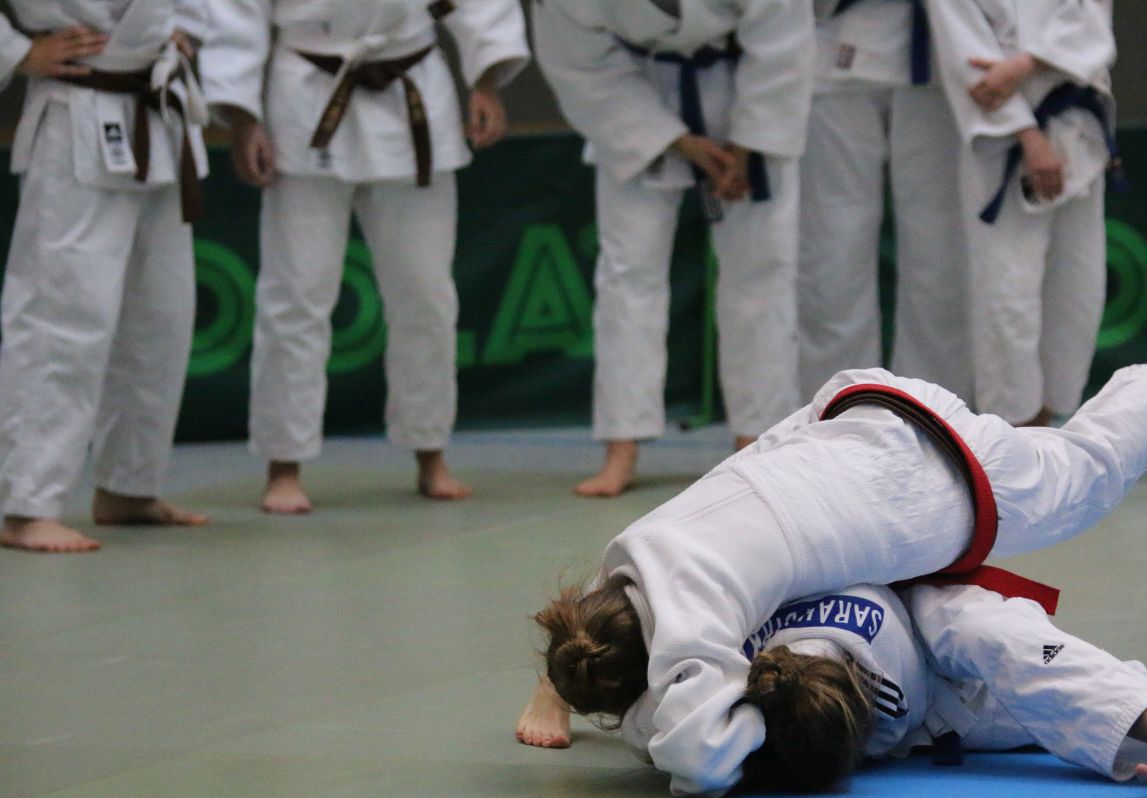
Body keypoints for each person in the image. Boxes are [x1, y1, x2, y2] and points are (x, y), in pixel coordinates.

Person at [517, 303, 1147, 798]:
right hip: (840, 413)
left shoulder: (691, 623)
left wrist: (645, 725)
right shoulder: (634, 553)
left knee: (1090, 469)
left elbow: (701, 760)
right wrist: (561, 685)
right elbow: (600, 622)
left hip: (934, 473)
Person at [200, 0, 529, 514]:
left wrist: (486, 80)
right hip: (306, 93)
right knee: (295, 295)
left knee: (425, 294)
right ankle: (284, 463)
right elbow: (236, 11)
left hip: (411, 85)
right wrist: (243, 116)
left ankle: (430, 450)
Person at [532, 0, 813, 497]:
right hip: (636, 91)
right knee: (628, 274)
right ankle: (622, 443)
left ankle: (758, 437)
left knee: (762, 271)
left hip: (747, 83)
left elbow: (780, 30)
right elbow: (578, 59)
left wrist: (746, 144)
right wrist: (677, 142)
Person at [741, 581, 1147, 798]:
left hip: (944, 656)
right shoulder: (737, 669)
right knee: (1119, 685)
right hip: (862, 622)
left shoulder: (960, 635)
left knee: (1065, 671)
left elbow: (1045, 666)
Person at [0, 0, 210, 553]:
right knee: (61, 315)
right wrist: (17, 51)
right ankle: (27, 505)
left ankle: (128, 486)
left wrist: (179, 26)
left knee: (160, 313)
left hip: (156, 107)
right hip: (76, 107)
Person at [928, 0, 1118, 427]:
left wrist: (1025, 63)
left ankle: (1048, 422)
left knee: (1078, 289)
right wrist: (1027, 134)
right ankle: (1013, 430)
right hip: (1002, 139)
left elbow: (1094, 26)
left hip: (1078, 124)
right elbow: (967, 58)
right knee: (1007, 293)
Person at [796, 0, 972, 402]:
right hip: (835, 56)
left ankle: (935, 411)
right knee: (831, 257)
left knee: (942, 259)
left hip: (942, 61)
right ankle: (836, 411)